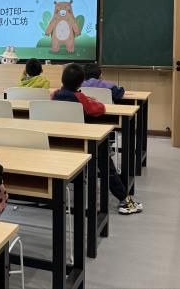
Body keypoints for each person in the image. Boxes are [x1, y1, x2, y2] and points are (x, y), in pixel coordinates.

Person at [52, 64, 143, 215]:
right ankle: (124, 199)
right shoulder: (80, 98)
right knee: (105, 160)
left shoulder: (54, 95)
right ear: (80, 83)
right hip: (83, 142)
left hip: (60, 142)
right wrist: (89, 100)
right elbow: (100, 109)